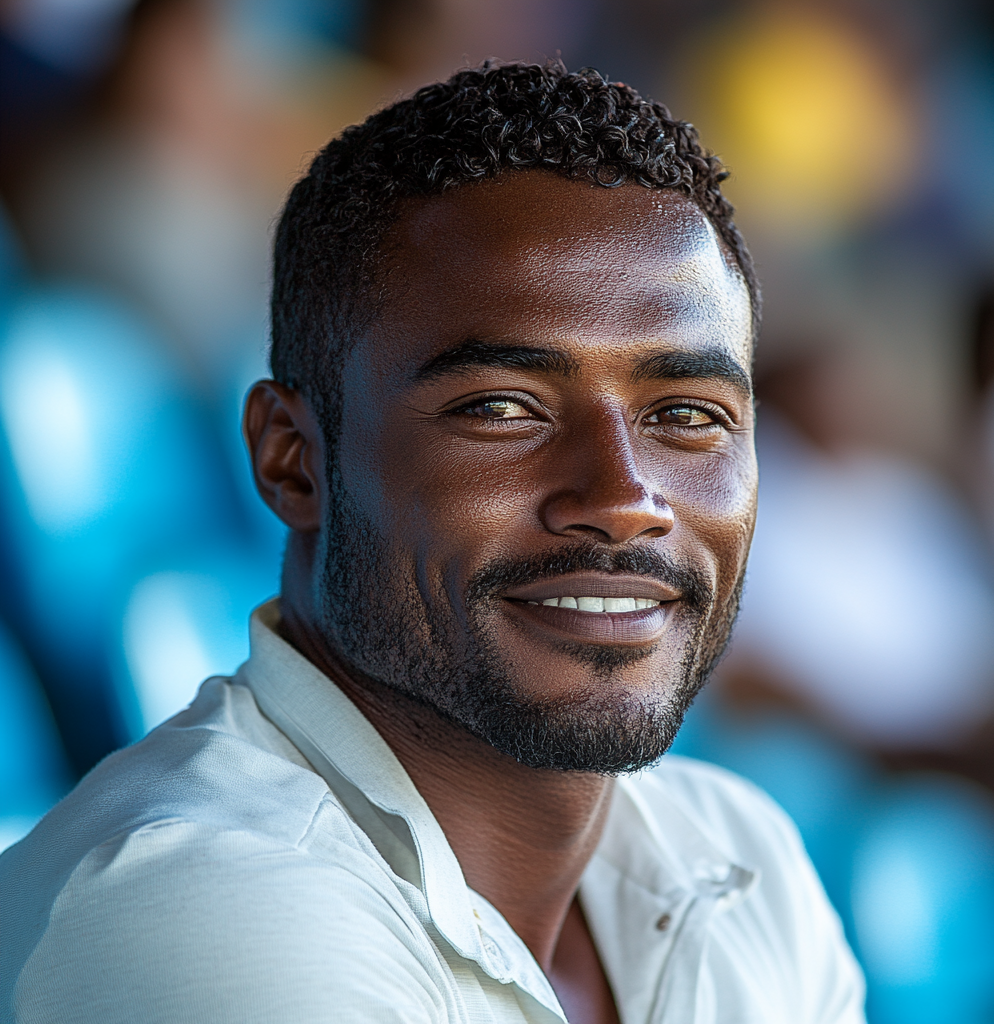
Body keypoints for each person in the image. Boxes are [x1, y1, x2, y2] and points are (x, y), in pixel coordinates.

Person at [0, 62, 865, 1023]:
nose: (626, 499)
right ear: (293, 461)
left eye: (689, 414)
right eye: (502, 408)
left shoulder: (743, 860)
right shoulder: (203, 913)